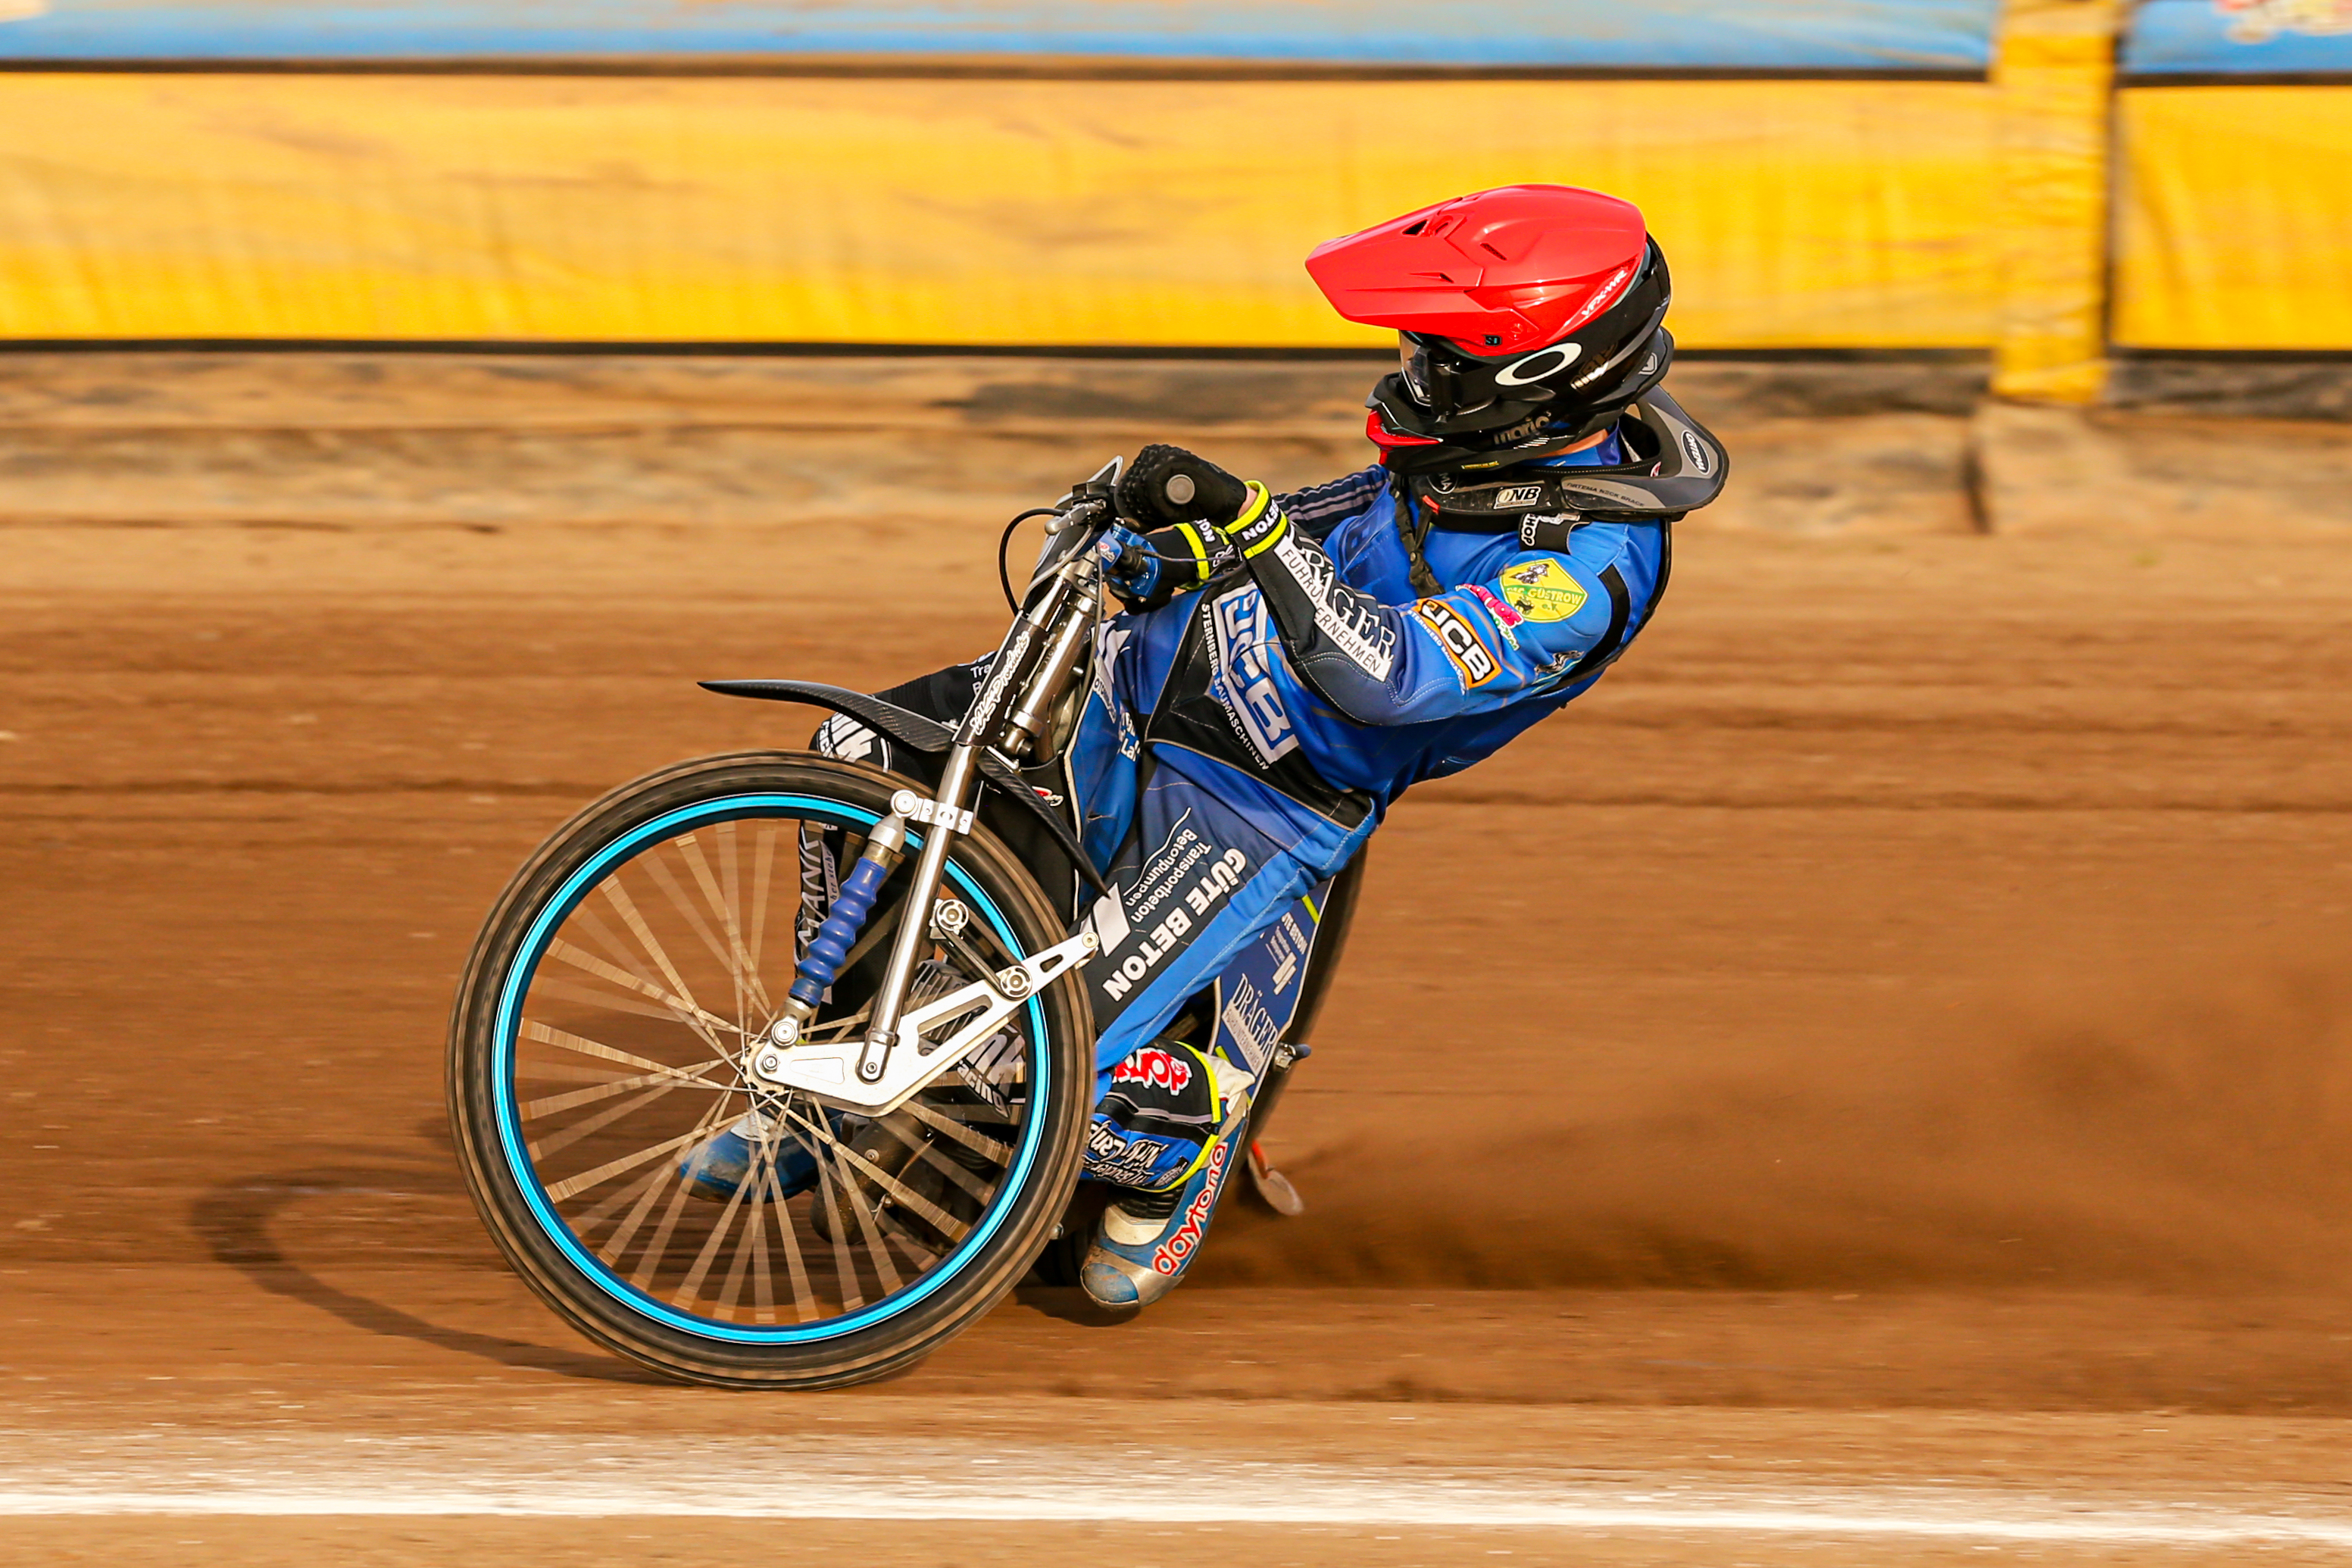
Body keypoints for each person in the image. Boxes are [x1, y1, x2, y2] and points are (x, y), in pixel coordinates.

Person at [681, 184, 1727, 1312]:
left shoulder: (1587, 569)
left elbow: (1380, 675)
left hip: (1256, 800)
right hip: (1136, 683)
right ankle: (817, 1091)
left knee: (1004, 1077)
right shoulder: (1482, 453)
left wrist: (1253, 526)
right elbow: (1343, 520)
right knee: (848, 760)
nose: (1413, 375)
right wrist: (1177, 546)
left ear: (1534, 378)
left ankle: (1183, 1126)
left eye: (1442, 359)